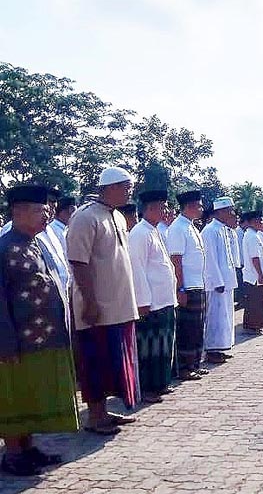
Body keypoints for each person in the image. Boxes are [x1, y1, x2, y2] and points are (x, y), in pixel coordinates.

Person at [1, 185, 79, 476]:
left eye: (47, 209)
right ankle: (12, 454)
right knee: (13, 396)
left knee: (30, 394)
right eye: (38, 210)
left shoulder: (34, 243)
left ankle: (27, 447)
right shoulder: (4, 248)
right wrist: (4, 343)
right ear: (17, 212)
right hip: (17, 343)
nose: (46, 215)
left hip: (44, 338)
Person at [67, 166, 140, 434]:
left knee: (112, 362)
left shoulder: (118, 217)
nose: (129, 191)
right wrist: (89, 301)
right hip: (98, 306)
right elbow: (78, 262)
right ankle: (95, 416)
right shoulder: (85, 217)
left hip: (119, 305)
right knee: (95, 360)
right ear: (109, 188)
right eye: (125, 186)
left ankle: (105, 411)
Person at [128, 189, 177, 404]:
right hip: (151, 302)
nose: (166, 211)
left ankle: (160, 383)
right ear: (150, 208)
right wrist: (143, 301)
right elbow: (137, 269)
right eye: (162, 207)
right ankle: (148, 388)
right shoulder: (139, 233)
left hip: (164, 299)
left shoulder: (155, 231)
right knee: (149, 346)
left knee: (164, 344)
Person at [166, 190, 208, 381]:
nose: (201, 209)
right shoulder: (178, 228)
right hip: (187, 286)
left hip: (198, 284)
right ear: (190, 206)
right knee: (187, 329)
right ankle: (184, 367)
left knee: (197, 327)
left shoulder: (191, 227)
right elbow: (176, 260)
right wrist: (180, 288)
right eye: (199, 205)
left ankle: (194, 364)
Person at [202, 197, 239, 364]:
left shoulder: (224, 230)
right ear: (221, 211)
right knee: (215, 317)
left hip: (227, 279)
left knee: (225, 316)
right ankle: (212, 349)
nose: (231, 214)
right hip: (217, 282)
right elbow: (210, 259)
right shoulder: (210, 230)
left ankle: (222, 347)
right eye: (229, 210)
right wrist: (217, 281)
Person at [240, 211, 263, 334]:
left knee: (259, 300)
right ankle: (252, 326)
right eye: (259, 220)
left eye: (262, 220)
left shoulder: (255, 235)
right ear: (252, 222)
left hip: (257, 275)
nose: (261, 223)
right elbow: (255, 258)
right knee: (254, 302)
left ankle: (257, 324)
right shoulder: (251, 236)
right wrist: (260, 274)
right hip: (253, 276)